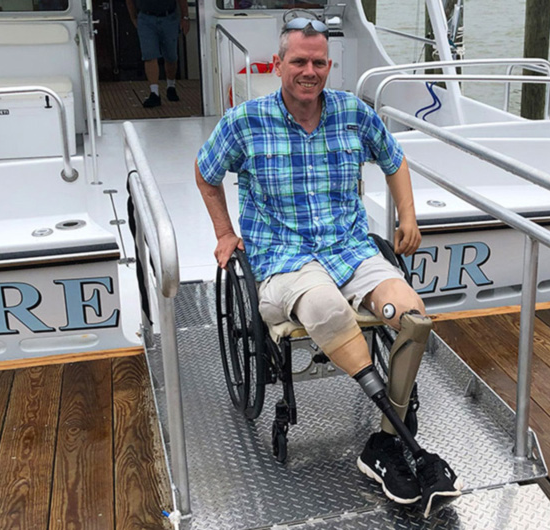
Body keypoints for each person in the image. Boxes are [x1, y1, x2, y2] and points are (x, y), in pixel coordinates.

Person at [194, 18, 463, 516]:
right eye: (298, 61)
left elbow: (394, 159)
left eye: (318, 62)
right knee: (325, 307)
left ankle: (384, 443)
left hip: (350, 250)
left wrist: (408, 216)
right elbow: (206, 172)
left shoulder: (352, 113)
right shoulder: (244, 121)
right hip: (283, 259)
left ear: (329, 66)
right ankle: (404, 437)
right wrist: (224, 233)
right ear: (279, 65)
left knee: (413, 316)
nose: (309, 71)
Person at [126, 0, 189, 107]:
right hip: (146, 19)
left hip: (169, 17)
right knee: (149, 55)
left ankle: (171, 86)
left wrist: (185, 17)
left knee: (171, 56)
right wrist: (133, 17)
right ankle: (154, 93)